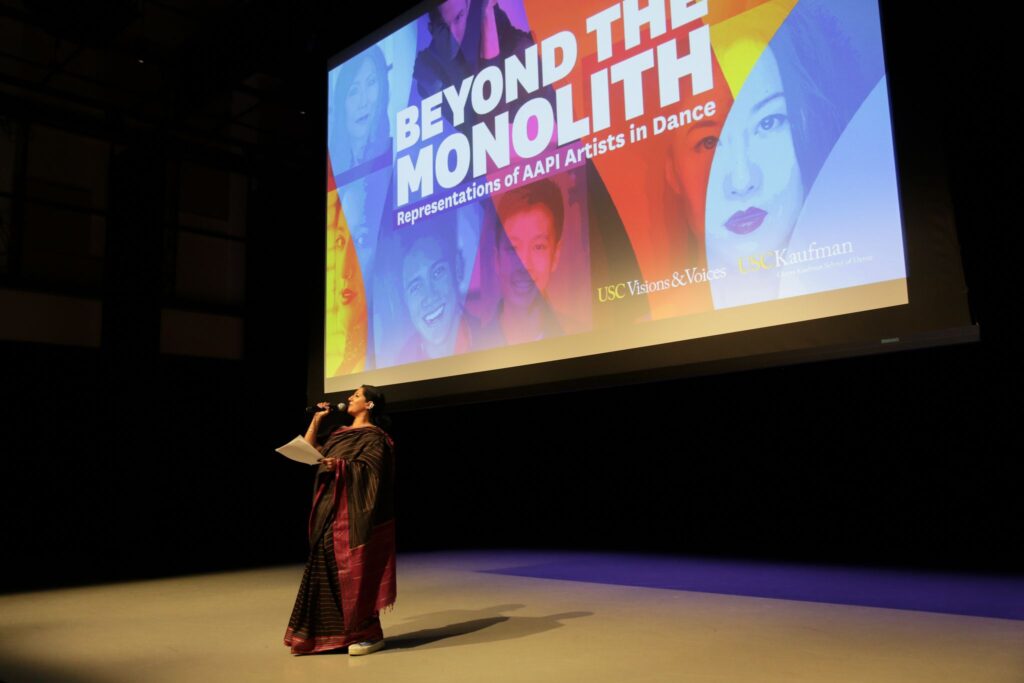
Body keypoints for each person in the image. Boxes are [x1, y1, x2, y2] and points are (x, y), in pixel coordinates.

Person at [284, 385, 396, 656]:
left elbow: (374, 474)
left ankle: (369, 632)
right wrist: (317, 419)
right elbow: (309, 449)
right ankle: (332, 634)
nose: (349, 398)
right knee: (324, 563)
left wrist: (342, 466)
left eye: (356, 395)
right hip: (328, 507)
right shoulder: (338, 433)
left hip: (355, 512)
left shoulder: (376, 438)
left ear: (369, 405)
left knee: (354, 571)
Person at [475, 178, 565, 348]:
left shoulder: (577, 334)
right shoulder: (474, 347)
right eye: (513, 248)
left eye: (538, 247)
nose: (524, 263)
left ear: (555, 255)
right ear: (496, 259)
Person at [329, 44, 392, 180]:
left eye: (371, 82)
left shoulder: (396, 154)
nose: (364, 102)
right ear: (341, 104)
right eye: (354, 91)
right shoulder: (332, 173)